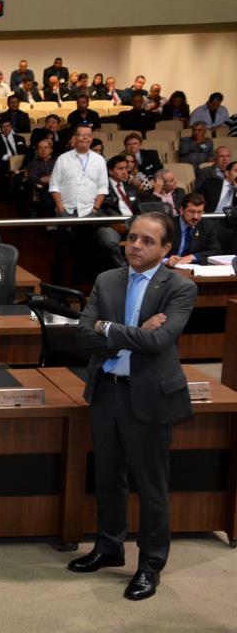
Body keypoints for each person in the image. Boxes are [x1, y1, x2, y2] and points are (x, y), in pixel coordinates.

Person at [70, 211, 196, 602]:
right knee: (108, 476)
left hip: (149, 396)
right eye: (132, 238)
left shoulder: (179, 288)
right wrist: (130, 333)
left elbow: (160, 343)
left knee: (150, 484)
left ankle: (150, 564)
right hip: (107, 390)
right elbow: (82, 336)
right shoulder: (107, 280)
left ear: (165, 249)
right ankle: (109, 547)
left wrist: (106, 329)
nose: (135, 246)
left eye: (146, 241)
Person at [49, 126, 108, 217]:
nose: (85, 137)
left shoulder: (100, 160)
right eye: (82, 135)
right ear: (74, 139)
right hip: (66, 210)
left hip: (90, 210)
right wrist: (60, 207)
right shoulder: (63, 158)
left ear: (91, 139)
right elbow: (54, 185)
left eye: (88, 135)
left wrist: (95, 209)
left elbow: (103, 187)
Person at [163, 193, 221, 265]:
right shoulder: (167, 225)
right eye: (191, 212)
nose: (195, 217)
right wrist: (165, 260)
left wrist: (193, 257)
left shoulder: (207, 226)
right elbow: (154, 250)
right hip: (168, 268)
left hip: (193, 269)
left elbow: (215, 251)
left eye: (199, 212)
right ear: (181, 210)